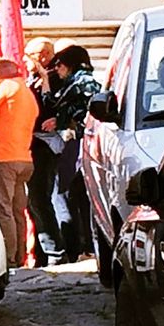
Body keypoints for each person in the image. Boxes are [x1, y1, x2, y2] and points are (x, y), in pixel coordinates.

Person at [40, 45, 98, 261]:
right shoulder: (88, 82)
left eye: (59, 66)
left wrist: (45, 79)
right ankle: (88, 246)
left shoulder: (79, 83)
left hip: (81, 145)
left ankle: (85, 247)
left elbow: (53, 103)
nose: (58, 71)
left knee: (74, 194)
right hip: (86, 143)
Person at [0, 59, 39, 269]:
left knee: (0, 209)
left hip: (1, 157)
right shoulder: (27, 93)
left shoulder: (5, 86)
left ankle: (6, 258)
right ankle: (20, 256)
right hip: (24, 158)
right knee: (17, 211)